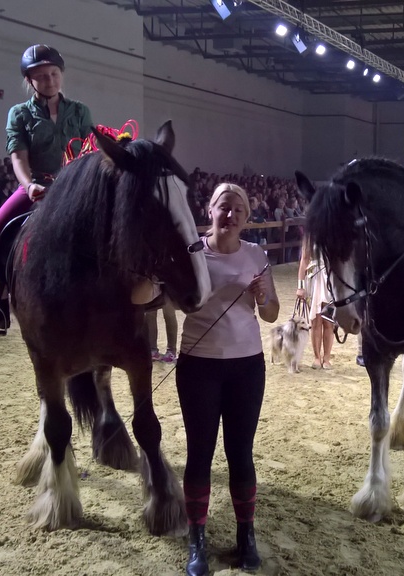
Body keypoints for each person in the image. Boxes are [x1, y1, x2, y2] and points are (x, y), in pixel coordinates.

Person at [177, 183, 279, 576]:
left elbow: (270, 314)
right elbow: (176, 300)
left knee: (241, 453)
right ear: (210, 210)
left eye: (239, 209)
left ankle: (245, 536)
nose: (230, 215)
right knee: (199, 453)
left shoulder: (257, 255)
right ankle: (197, 540)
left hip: (246, 367)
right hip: (198, 365)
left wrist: (265, 295)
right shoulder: (193, 252)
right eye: (223, 207)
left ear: (247, 217)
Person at [0, 44, 94, 335]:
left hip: (74, 186)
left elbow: (89, 150)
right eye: (41, 76)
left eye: (54, 73)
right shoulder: (19, 114)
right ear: (30, 81)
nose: (50, 80)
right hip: (37, 185)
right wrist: (29, 186)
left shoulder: (79, 111)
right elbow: (18, 157)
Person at [296, 233, 334, 369]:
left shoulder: (336, 233)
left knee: (329, 322)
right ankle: (317, 357)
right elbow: (304, 260)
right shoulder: (310, 235)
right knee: (316, 320)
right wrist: (300, 287)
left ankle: (327, 358)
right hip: (314, 279)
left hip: (331, 278)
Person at [145, 299, 178, 363]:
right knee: (149, 314)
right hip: (152, 290)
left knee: (169, 314)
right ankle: (152, 349)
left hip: (168, 290)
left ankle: (171, 351)